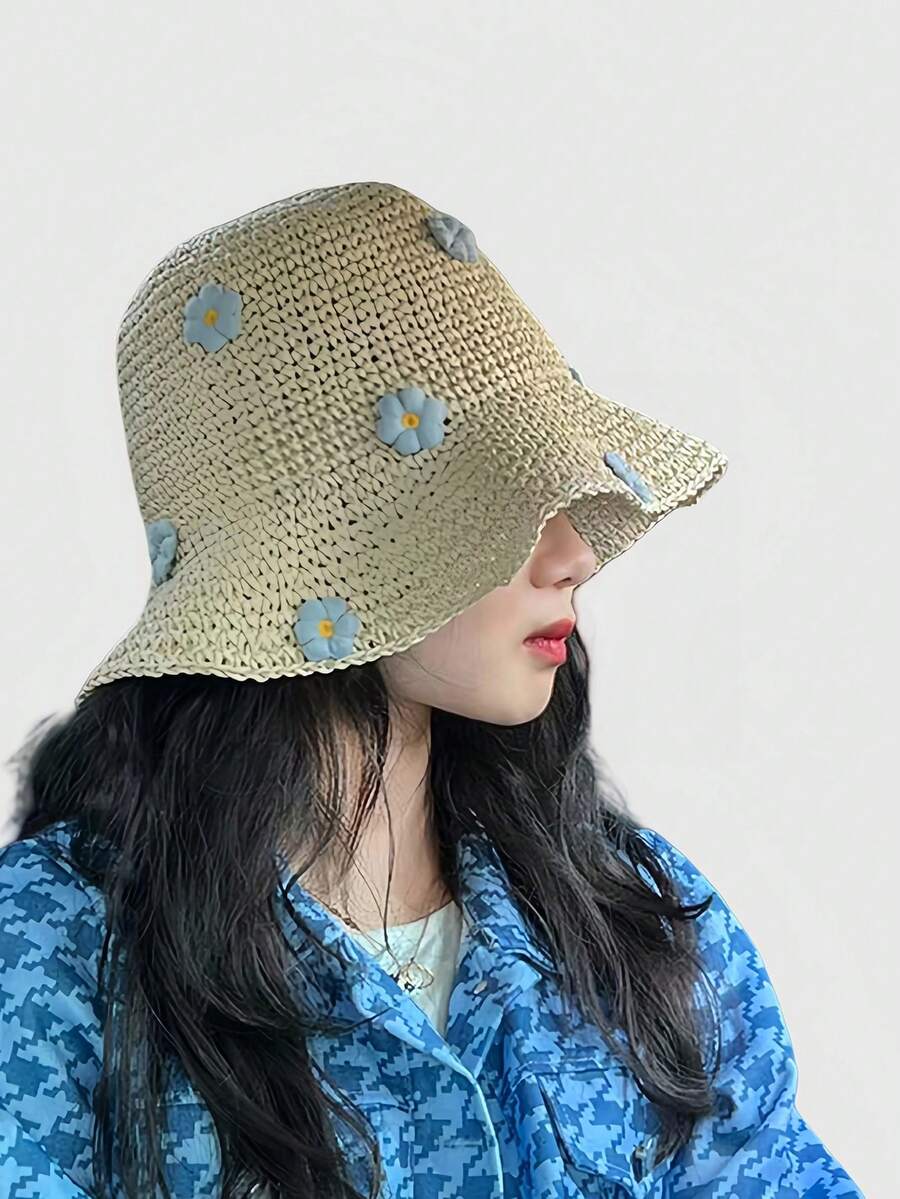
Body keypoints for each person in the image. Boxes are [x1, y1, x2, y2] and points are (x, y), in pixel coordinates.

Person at [0, 181, 862, 1198]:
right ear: (319, 543)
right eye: (496, 501)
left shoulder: (636, 917)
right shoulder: (57, 950)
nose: (576, 552)